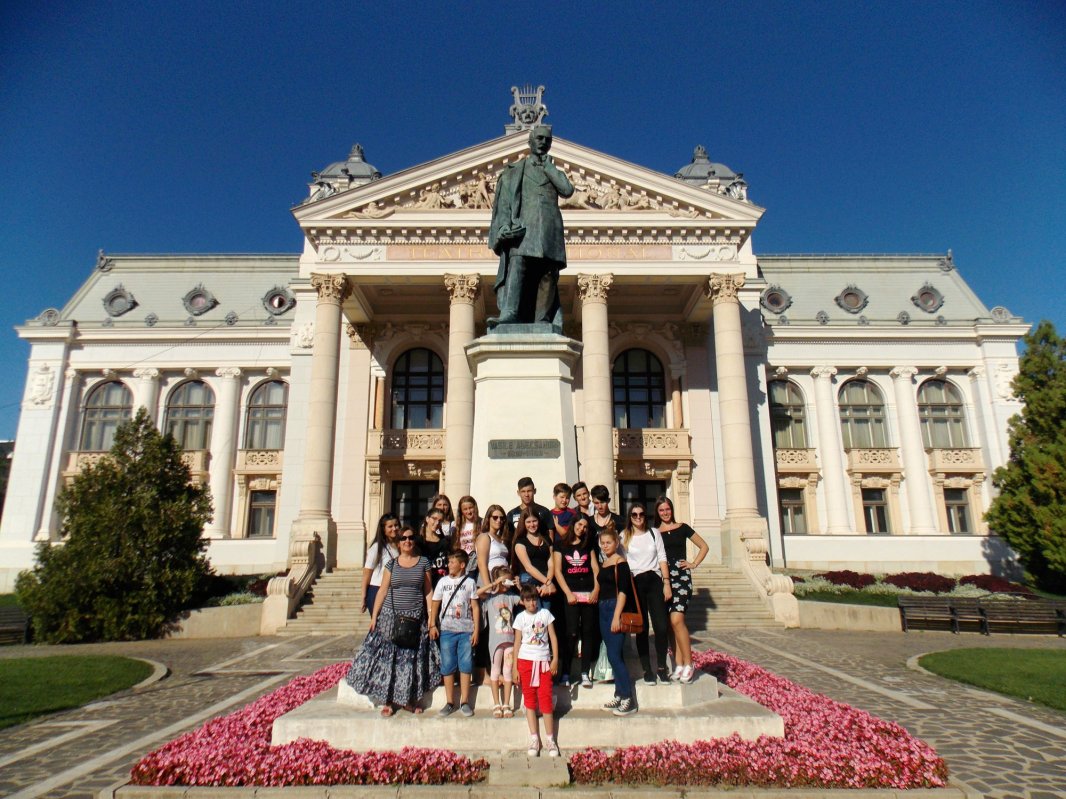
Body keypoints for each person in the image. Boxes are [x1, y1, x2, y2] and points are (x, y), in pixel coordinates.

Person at [487, 125, 574, 331]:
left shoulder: (554, 172)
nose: (543, 142)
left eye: (547, 139)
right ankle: (510, 313)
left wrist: (549, 168)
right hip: (523, 230)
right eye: (539, 138)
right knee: (518, 268)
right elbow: (505, 202)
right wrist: (504, 227)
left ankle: (542, 319)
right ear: (530, 141)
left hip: (549, 230)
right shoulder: (514, 171)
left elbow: (567, 190)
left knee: (548, 274)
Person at [346, 527, 440, 716]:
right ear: (398, 543)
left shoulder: (423, 563)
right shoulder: (391, 564)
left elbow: (428, 591)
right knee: (390, 661)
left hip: (415, 618)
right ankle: (389, 701)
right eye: (403, 538)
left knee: (411, 662)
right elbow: (382, 590)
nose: (407, 541)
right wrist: (374, 617)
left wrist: (432, 619)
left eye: (411, 537)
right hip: (391, 617)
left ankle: (408, 701)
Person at [653, 496, 709, 684]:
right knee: (669, 624)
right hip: (663, 579)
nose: (665, 513)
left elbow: (703, 546)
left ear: (672, 509)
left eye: (667, 509)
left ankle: (689, 663)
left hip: (681, 577)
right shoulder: (654, 533)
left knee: (677, 619)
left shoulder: (682, 527)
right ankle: (678, 663)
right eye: (661, 510)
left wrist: (693, 563)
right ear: (657, 512)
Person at [623, 502, 673, 685]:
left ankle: (661, 667)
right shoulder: (624, 537)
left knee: (661, 627)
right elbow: (622, 561)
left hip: (654, 581)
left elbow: (662, 557)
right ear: (630, 517)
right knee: (641, 628)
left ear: (646, 515)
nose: (638, 517)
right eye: (634, 514)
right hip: (636, 582)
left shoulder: (654, 533)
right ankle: (647, 670)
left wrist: (666, 583)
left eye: (641, 514)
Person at [512, 583, 560, 756]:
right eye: (528, 600)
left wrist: (555, 659)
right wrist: (515, 668)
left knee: (545, 698)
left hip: (543, 661)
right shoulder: (520, 618)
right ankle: (534, 738)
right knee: (530, 699)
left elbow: (553, 637)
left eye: (534, 599)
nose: (532, 603)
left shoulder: (545, 614)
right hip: (525, 661)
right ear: (523, 601)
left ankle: (550, 739)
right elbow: (517, 643)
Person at [430, 550, 480, 717]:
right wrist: (432, 625)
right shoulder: (442, 582)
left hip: (466, 629)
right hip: (447, 629)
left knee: (465, 664)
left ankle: (465, 701)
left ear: (462, 565)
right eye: (449, 561)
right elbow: (435, 603)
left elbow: (475, 607)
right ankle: (450, 701)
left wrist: (476, 630)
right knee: (448, 665)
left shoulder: (470, 582)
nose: (449, 564)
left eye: (452, 562)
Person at [553, 515, 600, 688]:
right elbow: (558, 571)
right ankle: (565, 672)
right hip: (570, 593)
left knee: (588, 632)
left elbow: (595, 568)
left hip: (588, 592)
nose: (582, 529)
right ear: (573, 525)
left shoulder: (588, 545)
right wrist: (568, 593)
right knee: (571, 633)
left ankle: (585, 672)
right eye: (580, 525)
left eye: (585, 526)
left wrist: (596, 589)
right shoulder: (560, 545)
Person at [595, 525, 636, 716]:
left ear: (616, 542)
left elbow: (623, 591)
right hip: (602, 607)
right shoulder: (604, 562)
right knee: (612, 656)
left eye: (608, 542)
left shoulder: (621, 563)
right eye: (602, 543)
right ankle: (619, 694)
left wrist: (616, 616)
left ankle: (628, 697)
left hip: (614, 608)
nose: (605, 546)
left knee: (615, 655)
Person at [477, 565, 519, 718]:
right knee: (495, 671)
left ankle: (506, 703)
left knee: (507, 672)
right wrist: (494, 584)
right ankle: (496, 703)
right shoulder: (490, 598)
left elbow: (524, 600)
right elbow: (477, 593)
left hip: (510, 641)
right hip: (495, 642)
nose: (506, 585)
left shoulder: (511, 597)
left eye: (508, 582)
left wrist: (518, 586)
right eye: (504, 582)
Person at [511, 508, 555, 597]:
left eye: (534, 521)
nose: (532, 524)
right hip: (529, 580)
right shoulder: (520, 542)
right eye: (528, 522)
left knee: (546, 610)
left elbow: (551, 564)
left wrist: (547, 583)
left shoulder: (546, 539)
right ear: (523, 523)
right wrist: (547, 582)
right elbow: (528, 567)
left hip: (546, 578)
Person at [362, 513, 400, 613]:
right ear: (383, 529)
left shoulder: (401, 546)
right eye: (390, 526)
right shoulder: (377, 548)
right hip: (377, 589)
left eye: (396, 525)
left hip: (394, 591)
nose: (394, 529)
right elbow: (367, 573)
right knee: (378, 625)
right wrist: (363, 596)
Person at [475, 503, 513, 587]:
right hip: (489, 577)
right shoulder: (484, 537)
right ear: (488, 519)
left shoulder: (502, 539)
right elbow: (482, 564)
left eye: (502, 518)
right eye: (495, 517)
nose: (499, 520)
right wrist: (488, 586)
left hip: (504, 578)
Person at [419, 509, 450, 588]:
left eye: (440, 521)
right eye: (434, 519)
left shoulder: (444, 542)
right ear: (427, 519)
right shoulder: (418, 541)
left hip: (441, 583)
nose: (437, 523)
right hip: (424, 584)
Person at [453, 495, 482, 574]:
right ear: (461, 511)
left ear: (475, 507)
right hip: (463, 561)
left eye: (470, 508)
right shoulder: (457, 526)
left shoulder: (482, 523)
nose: (468, 511)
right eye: (465, 509)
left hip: (478, 562)